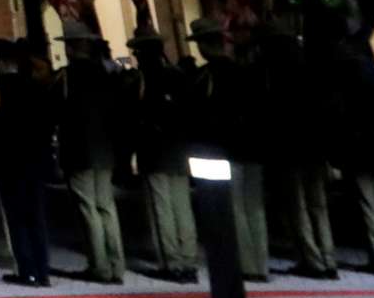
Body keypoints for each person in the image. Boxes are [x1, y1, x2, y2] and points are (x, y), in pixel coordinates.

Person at [188, 17, 270, 280]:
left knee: (235, 209)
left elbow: (201, 116)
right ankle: (260, 262)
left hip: (223, 151)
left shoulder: (207, 76)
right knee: (254, 209)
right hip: (250, 148)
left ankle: (245, 263)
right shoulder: (244, 72)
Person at [325, 19, 374, 274]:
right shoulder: (370, 76)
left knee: (369, 203)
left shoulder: (347, 78)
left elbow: (342, 112)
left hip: (359, 144)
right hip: (373, 145)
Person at [261, 22, 338, 277]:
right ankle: (327, 258)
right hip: (313, 149)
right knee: (318, 206)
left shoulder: (277, 77)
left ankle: (312, 260)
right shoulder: (311, 72)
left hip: (292, 149)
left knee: (299, 207)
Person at [56, 24, 128, 284]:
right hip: (104, 149)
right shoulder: (107, 75)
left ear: (71, 48)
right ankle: (117, 263)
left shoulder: (67, 76)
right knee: (106, 207)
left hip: (79, 150)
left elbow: (56, 109)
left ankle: (99, 265)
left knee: (88, 210)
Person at [129, 26, 202, 282]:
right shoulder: (179, 76)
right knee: (182, 208)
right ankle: (189, 259)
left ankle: (171, 262)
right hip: (179, 150)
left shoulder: (142, 79)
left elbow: (136, 115)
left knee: (163, 209)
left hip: (155, 150)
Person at [0, 37, 56, 287]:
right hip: (34, 159)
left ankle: (25, 269)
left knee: (15, 218)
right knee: (35, 216)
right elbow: (47, 122)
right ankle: (43, 269)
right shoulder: (35, 86)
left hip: (9, 160)